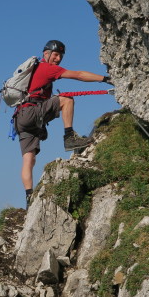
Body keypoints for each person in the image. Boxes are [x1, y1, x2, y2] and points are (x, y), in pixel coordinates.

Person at [14, 39, 111, 208]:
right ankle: (69, 137)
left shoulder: (35, 70)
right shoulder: (46, 68)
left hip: (20, 118)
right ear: (46, 54)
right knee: (66, 99)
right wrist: (106, 79)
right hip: (31, 113)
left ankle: (29, 198)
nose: (58, 59)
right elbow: (79, 75)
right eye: (56, 54)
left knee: (28, 160)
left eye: (61, 56)